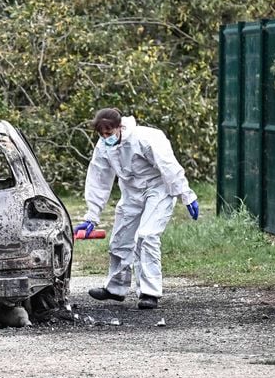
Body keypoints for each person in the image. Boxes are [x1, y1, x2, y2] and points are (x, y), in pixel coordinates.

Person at [76, 108, 198, 310]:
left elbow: (168, 166)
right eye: (102, 134)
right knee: (120, 239)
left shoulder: (146, 138)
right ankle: (115, 288)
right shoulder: (104, 146)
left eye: (109, 133)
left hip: (158, 189)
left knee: (147, 236)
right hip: (131, 192)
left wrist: (186, 195)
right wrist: (92, 216)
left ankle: (150, 292)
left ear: (120, 127)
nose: (105, 137)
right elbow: (99, 179)